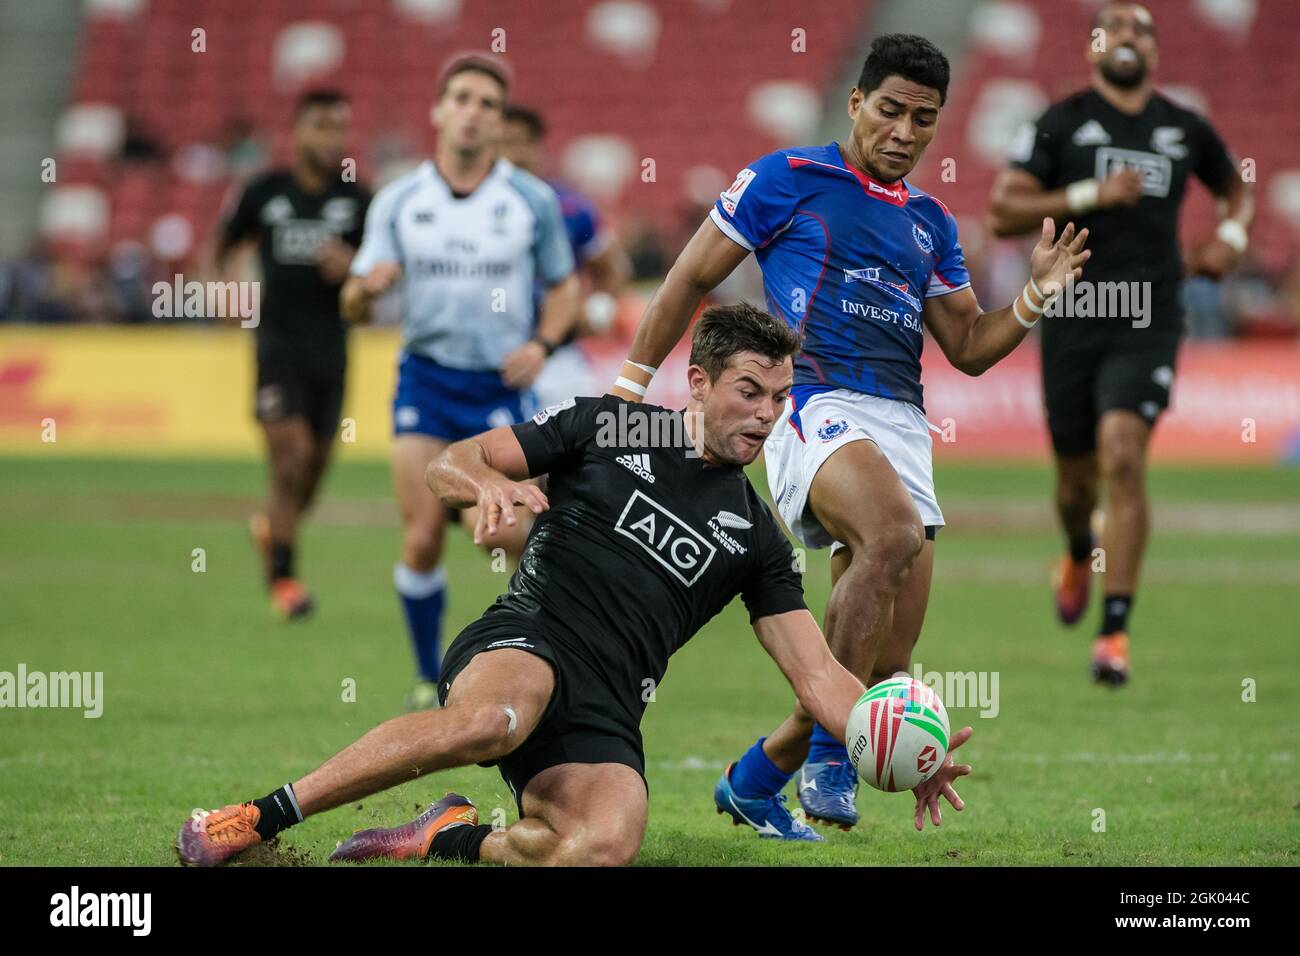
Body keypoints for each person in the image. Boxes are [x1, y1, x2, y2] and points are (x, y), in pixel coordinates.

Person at [176, 304, 901, 867]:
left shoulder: (756, 535)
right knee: (492, 719)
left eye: (780, 396)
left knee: (601, 846)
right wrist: (487, 482)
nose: (768, 415)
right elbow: (451, 462)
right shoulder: (610, 427)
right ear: (701, 382)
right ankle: (255, 817)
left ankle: (448, 838)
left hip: (609, 705)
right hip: (527, 639)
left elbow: (817, 678)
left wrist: (896, 747)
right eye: (750, 392)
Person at [609, 33, 1085, 834]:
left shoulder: (931, 222)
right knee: (892, 534)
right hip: (813, 404)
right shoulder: (786, 178)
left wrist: (1035, 297)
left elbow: (968, 347)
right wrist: (626, 391)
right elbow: (691, 275)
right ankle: (834, 760)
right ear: (857, 102)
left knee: (886, 670)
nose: (904, 131)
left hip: (901, 422)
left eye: (924, 119)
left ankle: (753, 780)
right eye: (891, 110)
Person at [988, 2, 1251, 685]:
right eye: (1117, 27)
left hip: (1150, 319)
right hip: (1071, 315)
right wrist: (1090, 193)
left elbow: (1235, 190)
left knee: (1124, 454)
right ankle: (1079, 550)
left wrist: (1231, 237)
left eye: (1143, 28)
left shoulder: (1183, 126)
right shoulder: (1061, 121)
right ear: (1094, 45)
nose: (1130, 36)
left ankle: (1113, 634)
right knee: (1076, 487)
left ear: (1155, 52)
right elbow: (1003, 208)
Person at [339, 54, 581, 709]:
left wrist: (541, 343)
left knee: (509, 533)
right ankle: (427, 678)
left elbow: (566, 287)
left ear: (499, 122)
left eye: (488, 104)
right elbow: (352, 304)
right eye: (464, 99)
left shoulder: (529, 199)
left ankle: (541, 659)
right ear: (439, 111)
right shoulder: (399, 199)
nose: (474, 113)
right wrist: (367, 289)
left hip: (498, 395)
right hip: (425, 385)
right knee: (420, 535)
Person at [214, 89, 370, 619]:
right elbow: (221, 249)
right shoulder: (264, 192)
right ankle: (284, 581)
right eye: (321, 126)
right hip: (277, 345)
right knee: (291, 458)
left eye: (339, 127)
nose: (331, 138)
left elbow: (377, 284)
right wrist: (226, 292)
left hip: (332, 348)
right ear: (296, 132)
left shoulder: (359, 200)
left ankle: (272, 531)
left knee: (315, 467)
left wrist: (353, 271)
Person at [498, 103, 632, 408]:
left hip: (558, 358)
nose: (515, 154)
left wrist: (600, 309)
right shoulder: (472, 208)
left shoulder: (570, 208)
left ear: (539, 148)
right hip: (491, 358)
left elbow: (611, 266)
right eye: (506, 143)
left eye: (523, 143)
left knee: (568, 451)